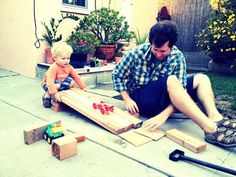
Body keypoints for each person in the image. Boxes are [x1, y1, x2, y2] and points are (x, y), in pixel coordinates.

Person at [112, 20, 236, 148]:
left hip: (164, 99)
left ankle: (216, 117)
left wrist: (163, 116)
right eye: (155, 49)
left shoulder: (177, 57)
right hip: (141, 99)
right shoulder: (136, 53)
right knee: (171, 80)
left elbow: (181, 91)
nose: (159, 54)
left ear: (172, 46)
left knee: (201, 78)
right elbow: (117, 75)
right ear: (151, 43)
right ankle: (210, 129)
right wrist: (127, 99)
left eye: (163, 51)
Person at [41, 41, 86, 108]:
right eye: (63, 58)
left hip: (61, 83)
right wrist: (55, 94)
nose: (66, 61)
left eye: (68, 58)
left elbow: (76, 77)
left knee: (71, 82)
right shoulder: (53, 67)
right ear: (55, 58)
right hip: (49, 84)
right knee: (56, 85)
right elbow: (50, 82)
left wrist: (83, 87)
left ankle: (61, 91)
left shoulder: (69, 67)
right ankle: (47, 96)